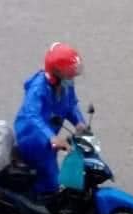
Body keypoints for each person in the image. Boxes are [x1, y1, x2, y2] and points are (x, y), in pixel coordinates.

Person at [13, 42, 86, 199]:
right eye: (69, 72)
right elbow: (32, 115)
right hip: (32, 137)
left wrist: (79, 122)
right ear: (57, 71)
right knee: (51, 182)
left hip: (50, 135)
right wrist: (51, 137)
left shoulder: (66, 83)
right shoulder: (38, 88)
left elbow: (71, 105)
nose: (72, 76)